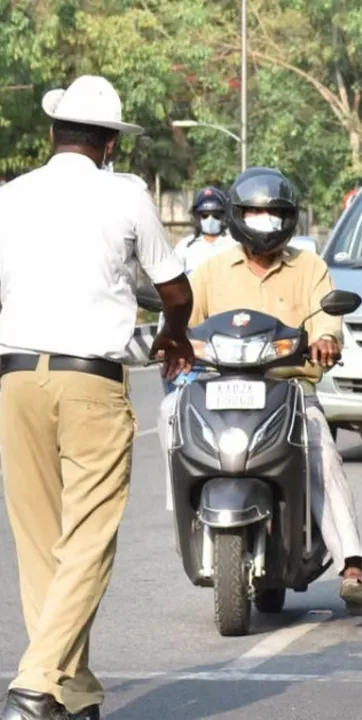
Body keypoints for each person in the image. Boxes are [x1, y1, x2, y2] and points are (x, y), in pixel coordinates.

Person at [0, 75, 194, 720]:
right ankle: (35, 684)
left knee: (40, 545)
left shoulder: (11, 196)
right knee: (87, 541)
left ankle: (71, 690)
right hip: (90, 383)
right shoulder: (127, 194)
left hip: (16, 377)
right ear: (110, 144)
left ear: (53, 133)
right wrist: (173, 335)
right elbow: (175, 291)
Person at [155, 166, 362, 616]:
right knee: (169, 410)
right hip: (219, 388)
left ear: (289, 218)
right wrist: (171, 342)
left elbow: (327, 319)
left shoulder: (309, 267)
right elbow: (182, 320)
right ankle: (183, 513)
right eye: (254, 212)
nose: (264, 221)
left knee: (320, 450)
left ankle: (350, 564)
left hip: (288, 389)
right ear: (237, 216)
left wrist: (326, 340)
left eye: (273, 213)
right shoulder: (211, 271)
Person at [156, 186, 237, 393]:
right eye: (205, 215)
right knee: (176, 390)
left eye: (216, 215)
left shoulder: (235, 247)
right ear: (197, 217)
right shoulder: (184, 249)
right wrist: (164, 334)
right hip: (192, 334)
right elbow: (171, 292)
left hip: (229, 333)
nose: (210, 219)